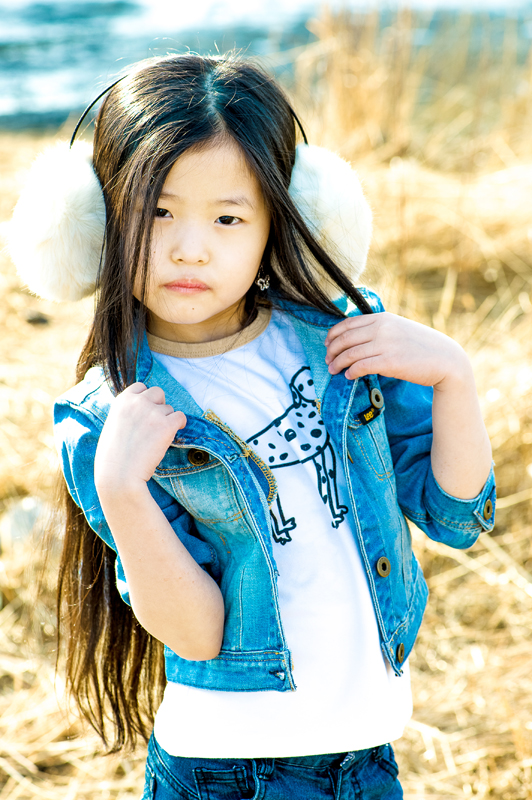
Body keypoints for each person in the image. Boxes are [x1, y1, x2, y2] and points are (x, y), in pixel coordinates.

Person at [8, 52, 496, 800]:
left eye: (228, 217)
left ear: (282, 221)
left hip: (367, 760)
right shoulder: (107, 419)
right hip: (225, 774)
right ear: (98, 223)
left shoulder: (343, 343)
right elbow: (198, 634)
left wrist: (453, 375)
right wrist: (123, 491)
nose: (190, 247)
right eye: (157, 211)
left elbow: (456, 517)